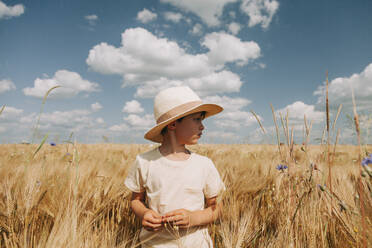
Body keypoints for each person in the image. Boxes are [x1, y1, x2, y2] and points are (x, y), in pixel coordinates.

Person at [124, 86, 225, 248]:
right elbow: (136, 200)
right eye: (197, 119)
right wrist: (144, 213)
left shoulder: (204, 164)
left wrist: (194, 218)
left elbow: (217, 207)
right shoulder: (144, 162)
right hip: (154, 244)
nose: (202, 126)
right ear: (172, 125)